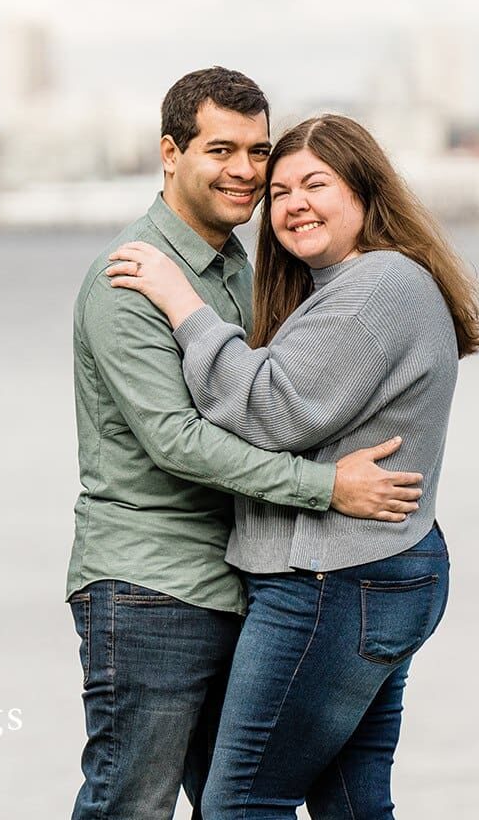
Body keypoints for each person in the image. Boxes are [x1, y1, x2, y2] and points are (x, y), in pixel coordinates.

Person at [67, 71, 427, 820]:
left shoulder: (247, 268)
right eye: (220, 149)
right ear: (171, 154)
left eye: (258, 151)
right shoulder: (130, 277)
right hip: (151, 585)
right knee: (129, 804)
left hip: (244, 582)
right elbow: (176, 441)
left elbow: (279, 396)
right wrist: (327, 488)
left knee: (237, 805)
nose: (245, 171)